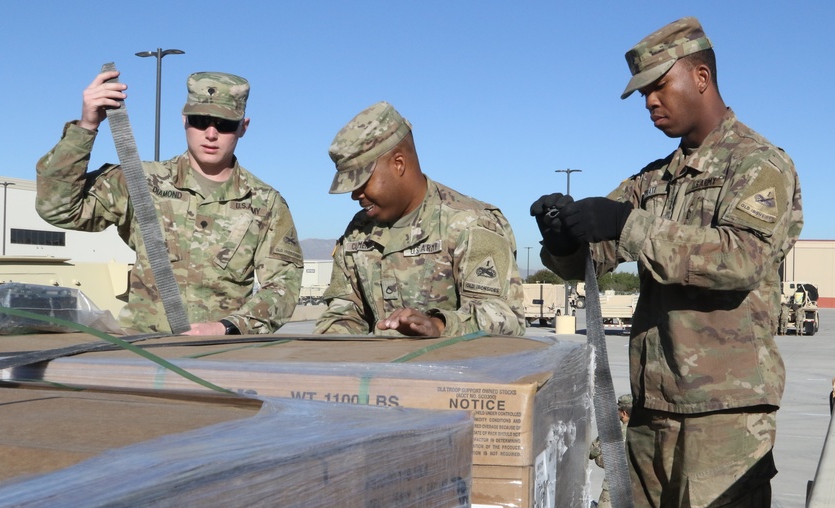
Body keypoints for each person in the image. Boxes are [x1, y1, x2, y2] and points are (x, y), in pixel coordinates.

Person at [530, 17, 803, 508]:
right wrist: (560, 236)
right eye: (642, 92)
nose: (650, 101)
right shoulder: (655, 180)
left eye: (658, 85)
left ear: (700, 76)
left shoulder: (759, 166)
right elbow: (592, 255)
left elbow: (737, 259)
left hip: (724, 414)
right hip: (656, 409)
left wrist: (628, 227)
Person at [35, 69, 303, 335]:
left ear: (243, 128)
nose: (211, 134)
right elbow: (58, 210)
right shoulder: (140, 181)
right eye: (201, 120)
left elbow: (283, 284)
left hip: (220, 355)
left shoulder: (265, 203)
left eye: (224, 124)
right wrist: (86, 126)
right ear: (185, 120)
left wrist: (228, 327)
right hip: (144, 351)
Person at [313, 102, 525, 337]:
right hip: (379, 370)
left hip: (454, 371)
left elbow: (504, 318)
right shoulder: (359, 230)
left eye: (361, 182)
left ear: (398, 164)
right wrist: (332, 340)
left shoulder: (469, 223)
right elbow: (346, 310)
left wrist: (439, 325)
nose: (355, 194)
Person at [586, 393, 632, 508]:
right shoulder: (649, 430)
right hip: (640, 487)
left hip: (615, 485)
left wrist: (598, 458)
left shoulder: (615, 432)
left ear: (622, 412)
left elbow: (592, 452)